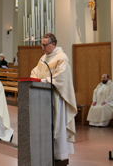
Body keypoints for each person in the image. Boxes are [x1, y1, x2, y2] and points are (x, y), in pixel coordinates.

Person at [30, 33, 77, 161]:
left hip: (57, 96)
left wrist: (45, 81)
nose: (42, 48)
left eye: (45, 45)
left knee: (58, 125)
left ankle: (59, 154)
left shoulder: (62, 57)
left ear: (53, 44)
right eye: (42, 45)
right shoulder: (43, 58)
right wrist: (35, 79)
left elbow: (61, 77)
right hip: (43, 97)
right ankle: (46, 151)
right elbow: (34, 72)